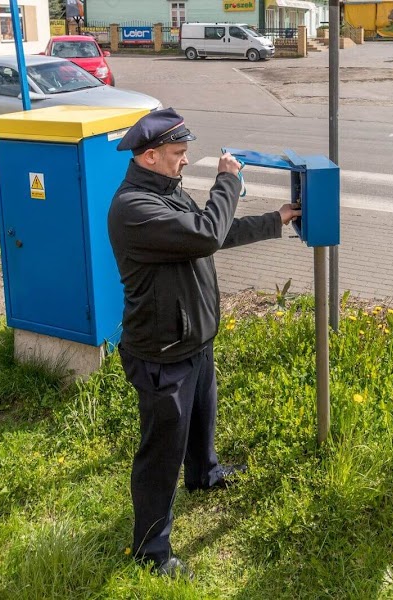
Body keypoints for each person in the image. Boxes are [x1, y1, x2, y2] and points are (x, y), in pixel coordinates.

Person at [107, 108, 301, 579]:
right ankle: (151, 553)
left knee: (201, 420)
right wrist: (228, 182)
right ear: (150, 156)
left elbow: (214, 235)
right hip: (161, 353)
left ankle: (204, 474)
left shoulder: (167, 195)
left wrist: (275, 219)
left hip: (194, 341)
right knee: (160, 453)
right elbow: (206, 232)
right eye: (177, 153)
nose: (184, 160)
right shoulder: (134, 209)